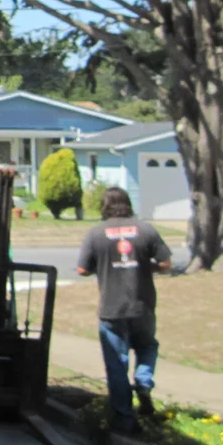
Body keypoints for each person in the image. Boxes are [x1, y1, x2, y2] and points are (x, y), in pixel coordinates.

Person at [76, 185, 173, 432]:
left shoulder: (96, 234)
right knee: (147, 346)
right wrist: (145, 266)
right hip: (143, 305)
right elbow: (165, 264)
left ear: (104, 207)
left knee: (117, 363)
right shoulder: (146, 230)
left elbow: (82, 269)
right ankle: (143, 382)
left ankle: (124, 418)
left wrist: (104, 267)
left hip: (111, 308)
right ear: (128, 204)